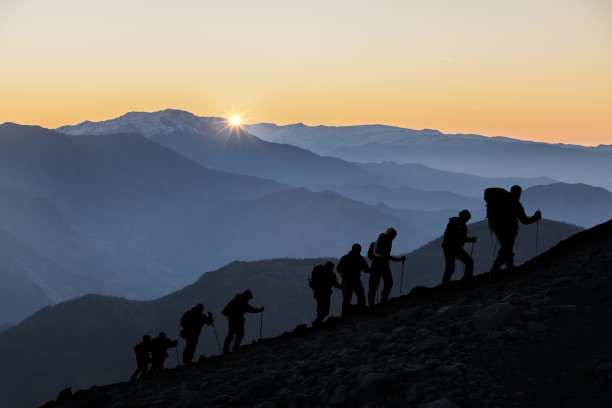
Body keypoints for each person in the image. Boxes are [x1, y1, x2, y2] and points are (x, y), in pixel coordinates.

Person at [488, 185, 542, 273]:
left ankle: (502, 268)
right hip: (509, 231)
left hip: (499, 230)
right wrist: (535, 218)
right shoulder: (516, 204)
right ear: (519, 193)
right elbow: (525, 221)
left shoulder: (502, 201)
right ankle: (499, 269)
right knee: (506, 248)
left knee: (506, 249)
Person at [368, 228, 406, 306]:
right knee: (388, 282)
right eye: (393, 236)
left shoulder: (380, 240)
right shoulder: (387, 241)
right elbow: (386, 256)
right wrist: (398, 259)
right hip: (383, 266)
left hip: (376, 266)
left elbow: (376, 255)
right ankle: (383, 300)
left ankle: (371, 303)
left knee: (374, 286)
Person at [442, 210, 477, 284]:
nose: (467, 220)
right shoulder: (458, 224)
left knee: (450, 267)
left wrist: (469, 239)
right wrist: (470, 239)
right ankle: (467, 278)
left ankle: (445, 283)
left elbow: (459, 237)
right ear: (464, 217)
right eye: (467, 218)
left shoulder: (455, 223)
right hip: (453, 248)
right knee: (469, 262)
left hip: (449, 248)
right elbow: (459, 237)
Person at [336, 244, 369, 316]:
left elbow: (338, 269)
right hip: (354, 280)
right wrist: (373, 270)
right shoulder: (360, 258)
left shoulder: (345, 258)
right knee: (360, 297)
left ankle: (345, 315)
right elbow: (366, 269)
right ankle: (361, 311)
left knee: (347, 299)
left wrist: (345, 272)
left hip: (347, 280)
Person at [309, 261, 341, 326]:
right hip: (324, 293)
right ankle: (318, 321)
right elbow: (335, 283)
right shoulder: (330, 273)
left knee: (321, 307)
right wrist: (341, 288)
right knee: (325, 307)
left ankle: (318, 320)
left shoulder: (319, 270)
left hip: (318, 292)